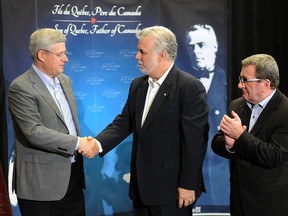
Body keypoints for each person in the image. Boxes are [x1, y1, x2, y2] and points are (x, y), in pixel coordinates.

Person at [94, 25, 209, 216]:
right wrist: (97, 144)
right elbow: (124, 122)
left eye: (142, 52)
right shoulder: (137, 85)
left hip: (172, 190)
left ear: (162, 55)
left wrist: (188, 184)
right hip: (141, 188)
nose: (137, 56)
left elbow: (195, 141)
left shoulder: (189, 87)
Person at [8, 28, 99, 216]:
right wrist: (78, 143)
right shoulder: (21, 87)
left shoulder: (65, 81)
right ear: (42, 55)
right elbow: (34, 132)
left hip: (73, 177)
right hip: (41, 185)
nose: (65, 58)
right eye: (60, 54)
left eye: (65, 53)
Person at [212, 54, 288, 216]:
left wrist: (240, 136)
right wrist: (229, 145)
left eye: (245, 80)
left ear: (265, 84)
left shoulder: (285, 111)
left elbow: (273, 156)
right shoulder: (237, 105)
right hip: (239, 200)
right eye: (240, 79)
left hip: (268, 204)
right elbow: (217, 142)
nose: (240, 85)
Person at [185, 23, 228, 204]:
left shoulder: (230, 82)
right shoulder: (181, 85)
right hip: (191, 172)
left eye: (201, 45)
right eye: (191, 46)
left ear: (215, 46)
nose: (196, 51)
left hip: (222, 171)